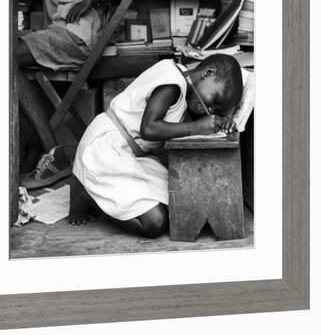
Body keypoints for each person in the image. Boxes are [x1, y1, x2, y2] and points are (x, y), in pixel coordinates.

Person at [69, 54, 244, 238]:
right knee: (155, 223)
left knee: (182, 201)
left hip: (128, 156)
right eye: (214, 100)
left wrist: (221, 123)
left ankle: (97, 190)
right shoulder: (172, 84)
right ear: (208, 73)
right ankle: (87, 193)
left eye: (216, 110)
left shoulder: (184, 88)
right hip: (104, 151)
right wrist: (195, 127)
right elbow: (149, 129)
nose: (210, 109)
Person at [17, 0, 129, 189]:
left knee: (7, 55)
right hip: (54, 40)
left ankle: (52, 150)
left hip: (77, 42)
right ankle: (50, 150)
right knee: (9, 60)